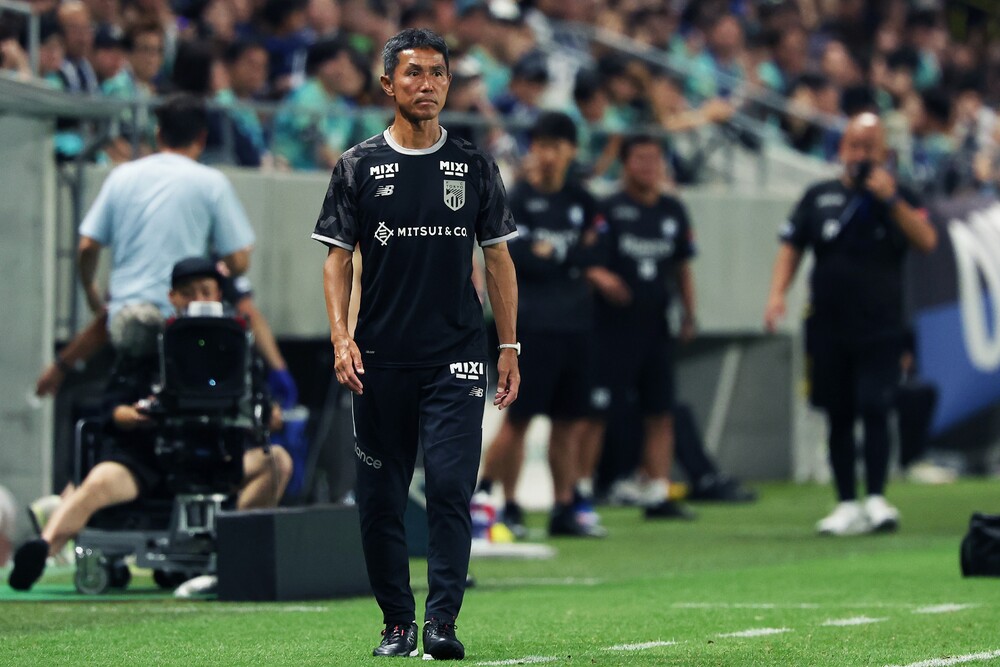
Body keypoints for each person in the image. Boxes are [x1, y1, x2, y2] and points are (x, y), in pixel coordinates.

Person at [312, 28, 519, 660]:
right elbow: (336, 260)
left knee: (452, 487)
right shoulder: (357, 165)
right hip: (379, 359)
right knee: (380, 498)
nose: (426, 84)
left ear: (448, 83)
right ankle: (397, 623)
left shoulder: (475, 166)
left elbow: (498, 260)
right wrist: (341, 337)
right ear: (388, 83)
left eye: (436, 73)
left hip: (456, 355)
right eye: (413, 73)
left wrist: (509, 347)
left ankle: (442, 622)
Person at [9, 257, 294, 591]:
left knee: (278, 462)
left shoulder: (237, 345)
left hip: (220, 458)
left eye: (206, 291)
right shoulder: (149, 343)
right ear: (172, 297)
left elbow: (261, 404)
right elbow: (112, 408)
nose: (199, 299)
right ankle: (42, 549)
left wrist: (270, 414)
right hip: (151, 460)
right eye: (189, 293)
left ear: (219, 294)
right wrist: (129, 415)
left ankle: (231, 551)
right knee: (96, 482)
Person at [764, 112, 938, 536]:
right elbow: (792, 246)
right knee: (838, 411)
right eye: (855, 146)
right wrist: (777, 294)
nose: (861, 155)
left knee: (875, 405)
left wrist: (891, 200)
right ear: (842, 149)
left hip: (881, 323)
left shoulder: (900, 194)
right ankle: (846, 502)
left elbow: (927, 240)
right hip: (828, 323)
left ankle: (876, 497)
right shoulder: (818, 195)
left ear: (884, 152)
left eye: (869, 147)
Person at [473, 111, 612, 539]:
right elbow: (517, 258)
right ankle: (496, 499)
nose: (547, 155)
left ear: (571, 151)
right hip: (531, 325)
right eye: (541, 146)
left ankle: (564, 505)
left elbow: (599, 252)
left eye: (556, 146)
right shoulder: (518, 198)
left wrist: (556, 255)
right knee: (519, 419)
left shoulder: (582, 200)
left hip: (577, 324)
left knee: (568, 421)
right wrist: (565, 258)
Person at [579, 134, 698, 521]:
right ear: (626, 164)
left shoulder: (672, 209)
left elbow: (682, 266)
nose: (648, 167)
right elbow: (585, 260)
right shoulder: (608, 208)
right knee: (596, 411)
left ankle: (657, 490)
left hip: (656, 326)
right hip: (611, 328)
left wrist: (690, 313)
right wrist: (603, 278)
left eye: (654, 159)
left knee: (660, 410)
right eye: (640, 159)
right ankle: (579, 491)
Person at [77, 93, 256, 327]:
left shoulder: (121, 176)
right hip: (179, 316)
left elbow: (88, 246)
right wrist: (219, 269)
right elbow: (239, 261)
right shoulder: (211, 182)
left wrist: (91, 291)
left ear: (158, 134)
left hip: (125, 315)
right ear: (202, 138)